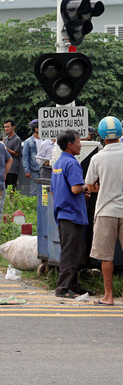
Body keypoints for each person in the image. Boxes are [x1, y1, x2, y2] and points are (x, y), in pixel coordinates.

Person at [86, 116, 123, 306]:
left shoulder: (97, 157)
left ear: (101, 135)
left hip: (106, 210)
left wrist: (100, 188)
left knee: (106, 256)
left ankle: (108, 296)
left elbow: (90, 185)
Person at [50, 129, 90, 299]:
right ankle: (62, 288)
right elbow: (75, 188)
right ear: (70, 145)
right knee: (70, 253)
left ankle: (74, 285)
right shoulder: (72, 163)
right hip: (72, 214)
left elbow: (54, 190)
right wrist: (86, 188)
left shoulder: (58, 163)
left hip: (62, 213)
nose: (80, 145)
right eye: (78, 141)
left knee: (72, 252)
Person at [22, 119, 42, 197]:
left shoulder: (46, 140)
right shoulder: (28, 142)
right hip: (34, 169)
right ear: (36, 129)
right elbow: (25, 157)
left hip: (44, 168)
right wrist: (26, 170)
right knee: (34, 191)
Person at [3, 119, 22, 190]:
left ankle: (13, 201)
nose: (6, 129)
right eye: (5, 127)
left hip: (13, 168)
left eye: (8, 127)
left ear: (13, 127)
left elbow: (17, 153)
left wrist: (6, 148)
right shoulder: (5, 139)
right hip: (4, 168)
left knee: (12, 189)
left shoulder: (17, 139)